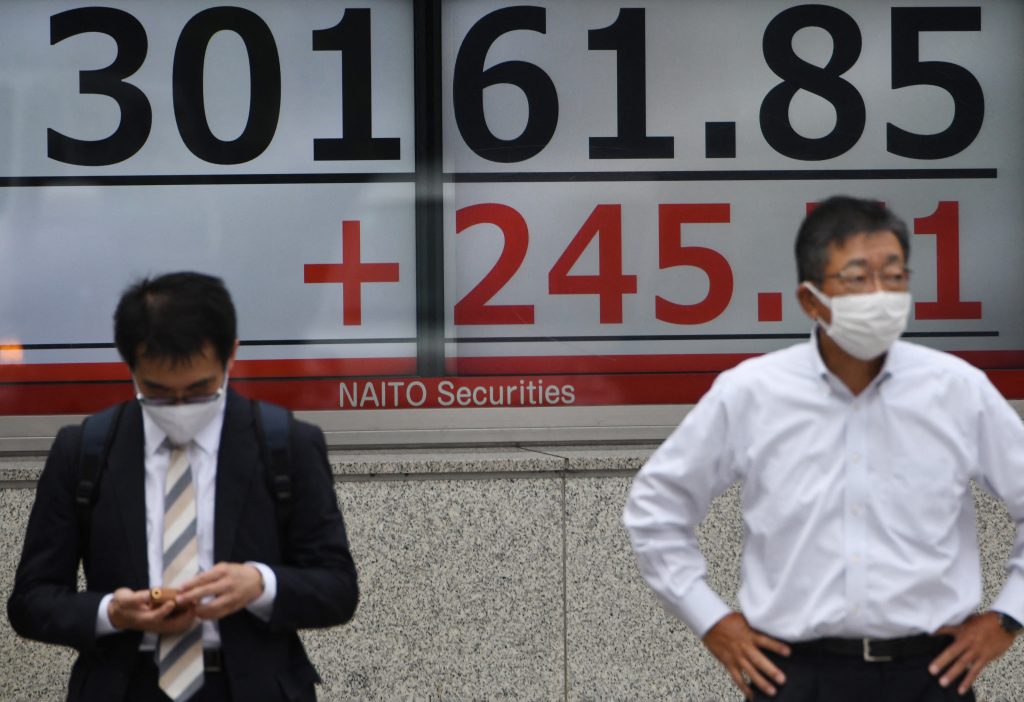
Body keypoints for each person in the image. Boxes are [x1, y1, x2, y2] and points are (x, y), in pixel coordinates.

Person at [623, 196, 1024, 701]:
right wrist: (713, 621)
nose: (880, 294)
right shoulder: (752, 393)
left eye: (894, 276)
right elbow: (655, 509)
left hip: (932, 676)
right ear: (811, 300)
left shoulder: (957, 390)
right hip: (799, 675)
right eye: (857, 278)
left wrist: (1007, 618)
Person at [8, 272, 359, 702]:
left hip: (250, 686)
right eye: (156, 391)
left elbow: (338, 589)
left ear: (231, 354)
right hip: (126, 685)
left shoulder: (288, 444)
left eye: (199, 390)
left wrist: (260, 584)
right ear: (130, 365)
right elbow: (31, 601)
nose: (178, 408)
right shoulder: (83, 450)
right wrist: (111, 613)